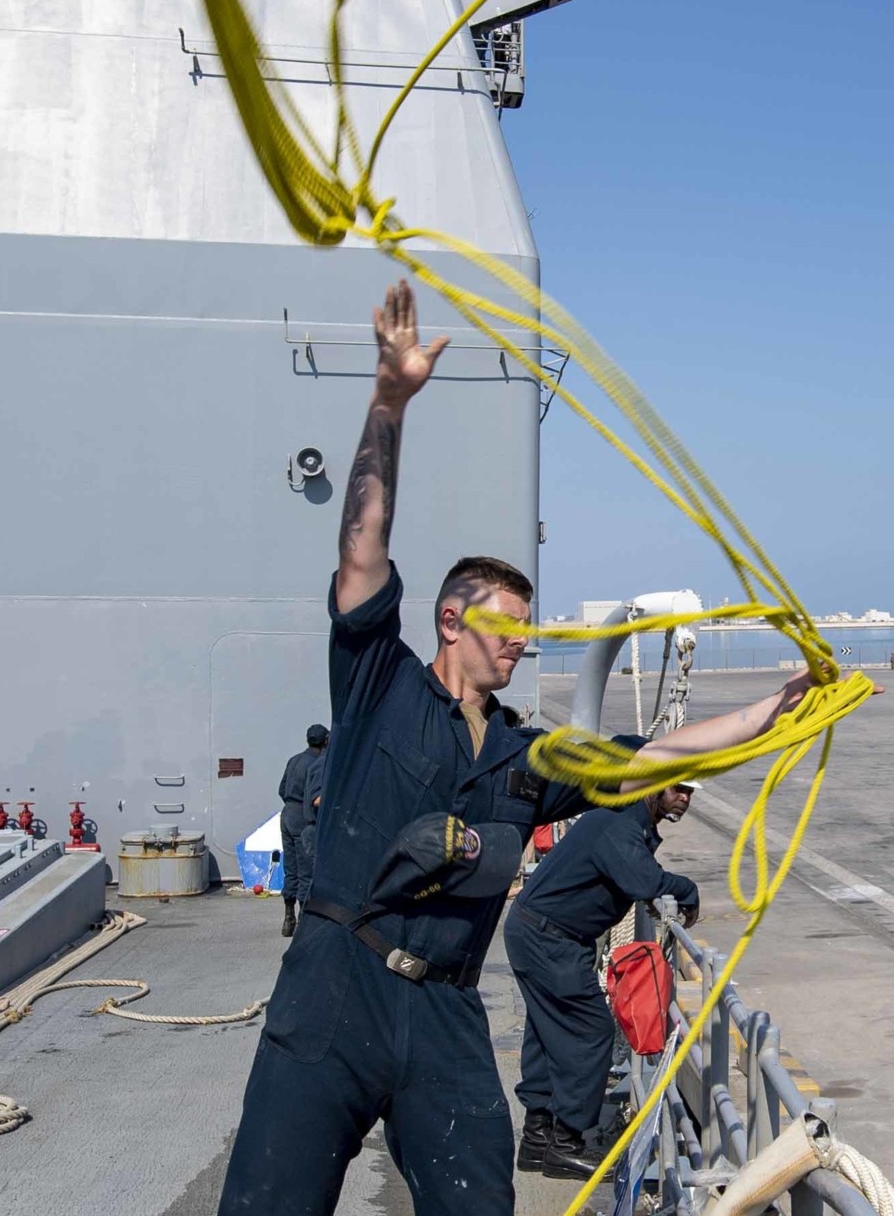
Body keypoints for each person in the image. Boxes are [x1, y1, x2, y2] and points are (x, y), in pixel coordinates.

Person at [217, 281, 817, 1216]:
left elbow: (653, 758)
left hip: (447, 1013)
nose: (522, 642)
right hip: (334, 992)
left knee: (478, 1203)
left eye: (529, 629)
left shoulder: (524, 759)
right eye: (506, 625)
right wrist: (388, 401)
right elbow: (362, 548)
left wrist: (783, 705)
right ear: (450, 618)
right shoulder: (378, 685)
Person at [508, 781, 699, 1178]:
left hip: (542, 932)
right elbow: (646, 882)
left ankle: (537, 1139)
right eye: (678, 788)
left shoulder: (626, 824)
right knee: (589, 1030)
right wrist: (688, 890)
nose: (685, 798)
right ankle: (566, 1143)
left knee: (546, 1031)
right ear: (653, 788)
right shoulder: (619, 827)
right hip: (549, 937)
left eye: (690, 792)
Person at [278, 723, 329, 937]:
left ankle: (288, 917)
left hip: (287, 814)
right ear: (325, 741)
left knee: (291, 869)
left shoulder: (294, 760)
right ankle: (302, 921)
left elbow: (282, 789)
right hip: (303, 817)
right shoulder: (317, 764)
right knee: (306, 870)